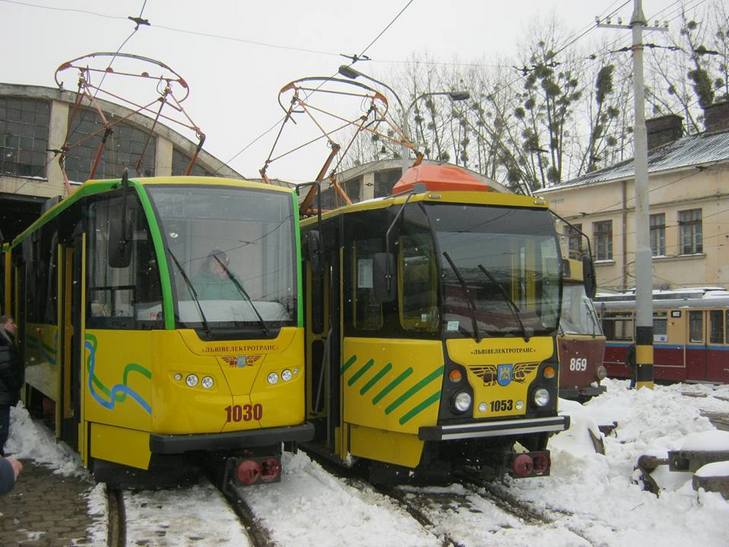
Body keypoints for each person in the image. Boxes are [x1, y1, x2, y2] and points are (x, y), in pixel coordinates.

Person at [0, 315, 22, 455]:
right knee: (2, 428)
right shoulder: (4, 342)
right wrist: (15, 385)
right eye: (11, 323)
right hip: (2, 394)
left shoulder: (6, 340)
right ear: (3, 325)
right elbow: (5, 367)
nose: (15, 326)